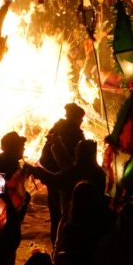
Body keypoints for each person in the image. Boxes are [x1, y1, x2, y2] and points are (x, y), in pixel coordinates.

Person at [40, 102, 87, 242]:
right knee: (67, 215)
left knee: (56, 214)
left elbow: (43, 159)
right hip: (68, 181)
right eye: (80, 118)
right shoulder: (75, 135)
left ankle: (57, 242)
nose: (82, 121)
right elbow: (80, 159)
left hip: (54, 178)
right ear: (75, 118)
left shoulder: (56, 130)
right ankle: (62, 245)